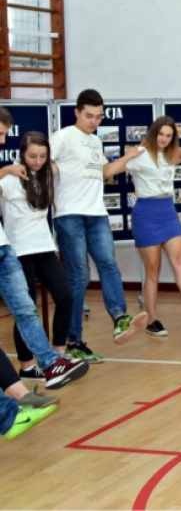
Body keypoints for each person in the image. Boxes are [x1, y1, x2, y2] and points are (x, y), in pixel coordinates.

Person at [50, 89, 147, 362]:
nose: (94, 121)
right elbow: (41, 162)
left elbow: (105, 172)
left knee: (108, 264)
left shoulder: (95, 141)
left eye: (98, 117)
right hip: (69, 215)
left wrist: (130, 156)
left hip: (97, 214)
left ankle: (119, 318)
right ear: (77, 112)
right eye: (89, 116)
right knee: (79, 276)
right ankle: (74, 340)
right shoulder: (62, 137)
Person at [0, 106, 89, 390]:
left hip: (44, 247)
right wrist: (7, 170)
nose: (37, 161)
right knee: (26, 308)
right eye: (32, 156)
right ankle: (27, 365)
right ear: (22, 154)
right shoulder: (10, 178)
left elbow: (76, 160)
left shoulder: (47, 174)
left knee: (65, 296)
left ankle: (57, 355)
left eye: (42, 156)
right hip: (18, 251)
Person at [104, 116, 181, 336]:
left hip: (168, 212)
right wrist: (128, 155)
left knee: (179, 260)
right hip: (146, 214)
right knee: (153, 271)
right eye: (161, 134)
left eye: (168, 135)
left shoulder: (172, 154)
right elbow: (107, 172)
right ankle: (152, 320)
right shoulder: (140, 155)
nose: (164, 139)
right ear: (153, 133)